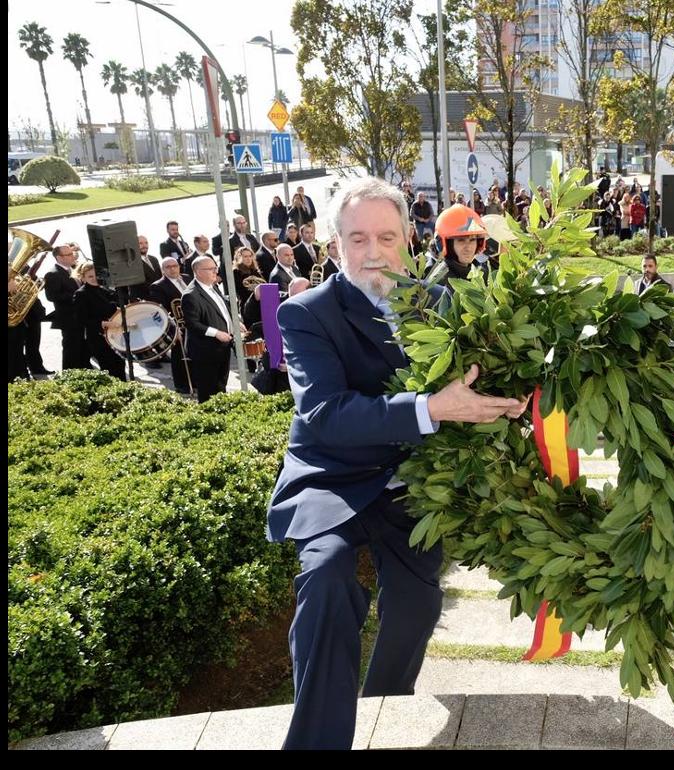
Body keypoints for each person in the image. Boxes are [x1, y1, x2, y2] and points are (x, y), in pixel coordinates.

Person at [267, 177, 526, 750]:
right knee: (327, 579)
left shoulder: (441, 303)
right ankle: (317, 742)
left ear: (409, 239)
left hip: (410, 483)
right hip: (331, 479)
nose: (374, 252)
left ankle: (383, 709)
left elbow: (480, 380)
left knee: (417, 601)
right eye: (358, 239)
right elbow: (326, 415)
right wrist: (434, 408)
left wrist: (510, 400)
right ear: (336, 244)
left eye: (386, 236)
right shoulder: (305, 313)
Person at [181, 255, 235, 402]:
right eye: (211, 269)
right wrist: (216, 333)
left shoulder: (213, 286)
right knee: (208, 390)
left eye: (215, 268)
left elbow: (222, 308)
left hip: (222, 346)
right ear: (198, 272)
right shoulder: (190, 295)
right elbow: (193, 324)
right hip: (206, 350)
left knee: (221, 386)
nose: (215, 272)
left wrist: (234, 322)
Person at [149, 256, 193, 395]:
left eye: (174, 266)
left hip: (194, 323)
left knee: (195, 354)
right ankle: (182, 385)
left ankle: (196, 381)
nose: (172, 269)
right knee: (180, 357)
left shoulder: (187, 278)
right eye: (168, 267)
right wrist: (173, 330)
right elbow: (161, 311)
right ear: (162, 270)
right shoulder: (158, 286)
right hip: (177, 326)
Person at [434, 203, 491, 284]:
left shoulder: (482, 273)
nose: (468, 247)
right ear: (447, 244)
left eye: (472, 240)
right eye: (461, 240)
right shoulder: (439, 282)